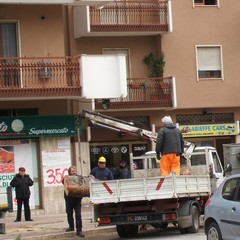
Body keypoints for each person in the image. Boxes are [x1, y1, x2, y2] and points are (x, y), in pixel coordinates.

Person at [62, 166, 84, 238]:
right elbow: (63, 182)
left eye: (75, 171)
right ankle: (71, 226)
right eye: (72, 171)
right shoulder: (67, 178)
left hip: (77, 200)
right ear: (69, 172)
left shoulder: (79, 178)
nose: (74, 172)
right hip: (69, 200)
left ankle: (79, 231)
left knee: (78, 215)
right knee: (69, 213)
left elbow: (83, 184)